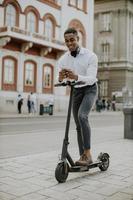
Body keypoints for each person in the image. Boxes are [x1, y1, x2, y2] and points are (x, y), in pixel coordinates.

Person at [57, 27, 98, 166]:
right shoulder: (63, 59)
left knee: (82, 116)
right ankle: (83, 156)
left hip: (90, 89)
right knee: (77, 125)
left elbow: (92, 78)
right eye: (67, 41)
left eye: (72, 40)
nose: (69, 43)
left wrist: (76, 76)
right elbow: (62, 80)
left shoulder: (91, 56)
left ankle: (88, 154)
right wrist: (60, 78)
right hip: (76, 91)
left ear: (78, 39)